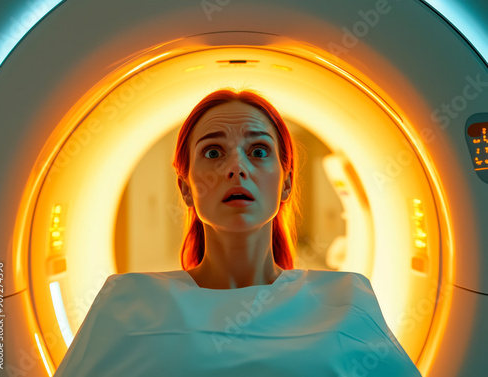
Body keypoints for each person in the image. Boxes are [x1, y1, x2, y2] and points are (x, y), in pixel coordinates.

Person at [53, 89, 422, 376]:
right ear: (185, 189)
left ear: (287, 184)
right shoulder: (125, 303)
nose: (236, 167)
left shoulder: (347, 300)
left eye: (259, 150)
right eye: (213, 153)